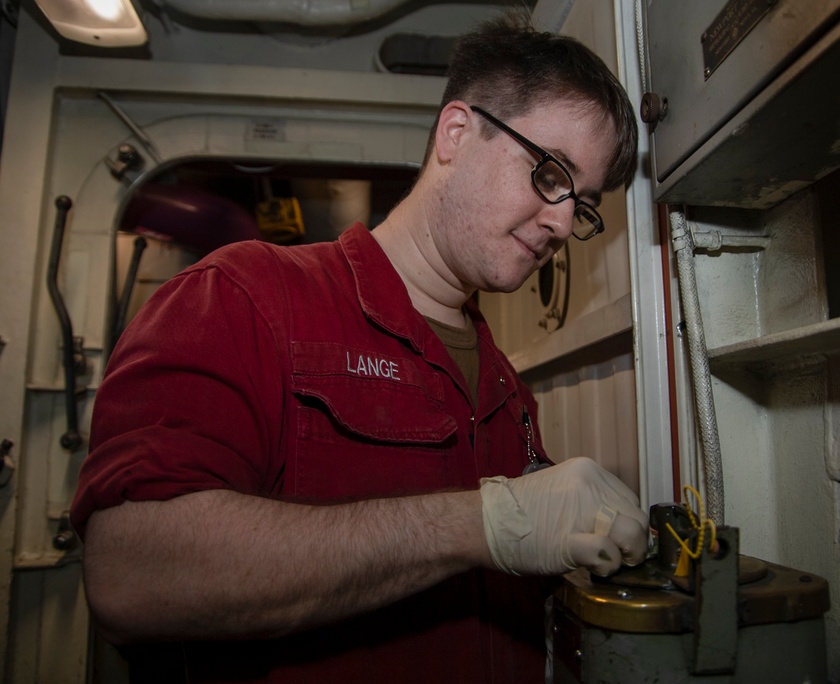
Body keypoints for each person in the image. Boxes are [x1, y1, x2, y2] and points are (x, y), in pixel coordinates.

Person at [70, 12, 646, 684]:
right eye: (551, 174)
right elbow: (131, 576)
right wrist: (479, 525)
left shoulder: (504, 389)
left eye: (583, 204)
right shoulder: (246, 297)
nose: (561, 221)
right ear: (457, 133)